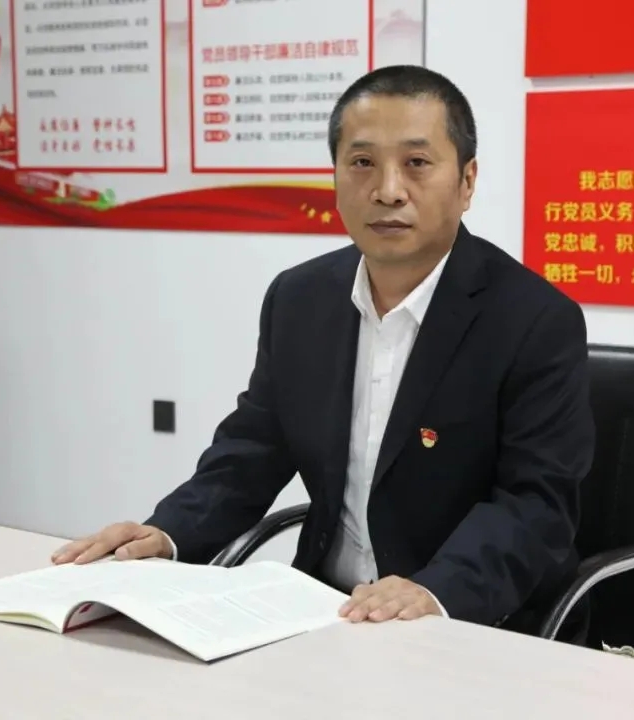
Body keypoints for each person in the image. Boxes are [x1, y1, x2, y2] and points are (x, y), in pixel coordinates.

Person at [52, 65, 595, 631]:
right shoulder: (299, 299)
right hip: (326, 612)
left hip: (470, 621)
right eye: (362, 163)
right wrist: (165, 535)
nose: (388, 190)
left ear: (466, 181)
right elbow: (251, 452)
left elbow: (535, 504)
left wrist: (436, 591)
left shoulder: (534, 320)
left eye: (416, 163)